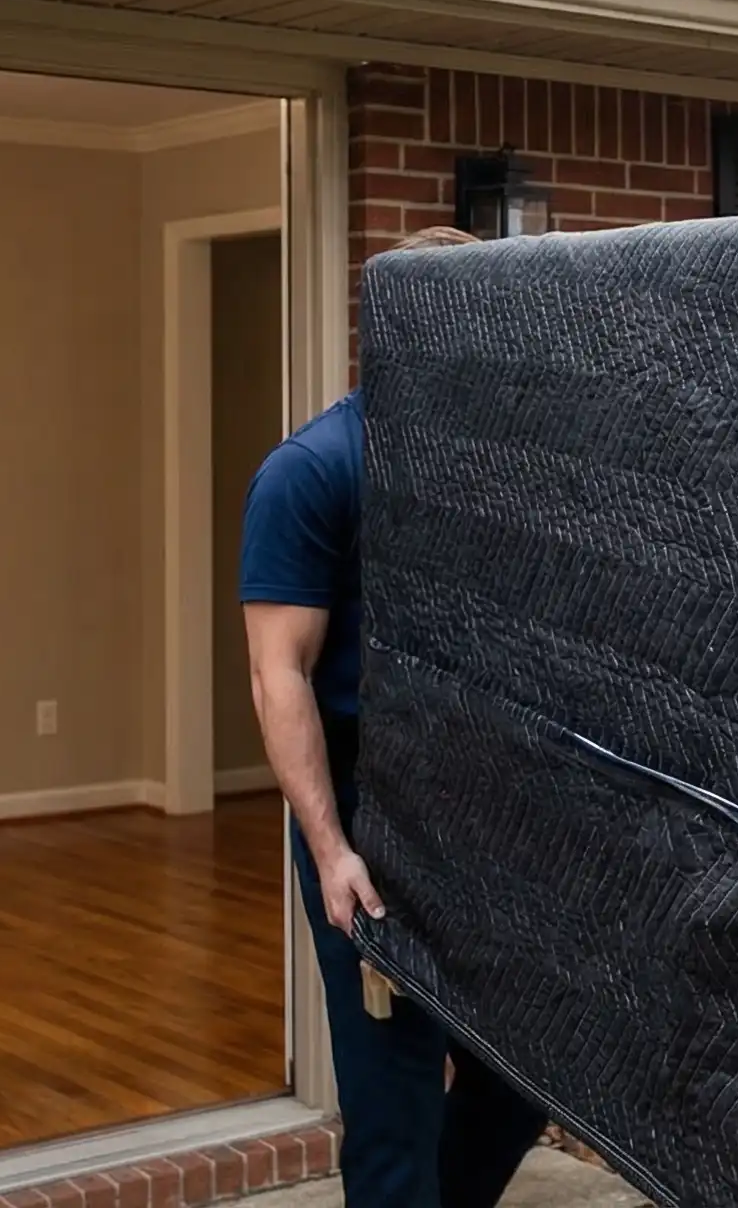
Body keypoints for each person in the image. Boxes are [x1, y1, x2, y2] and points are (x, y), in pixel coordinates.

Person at [241, 224, 550, 1208]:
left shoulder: (492, 474)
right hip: (366, 805)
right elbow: (277, 673)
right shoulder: (310, 472)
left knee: (525, 1066)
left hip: (487, 805)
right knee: (393, 1095)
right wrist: (331, 849)